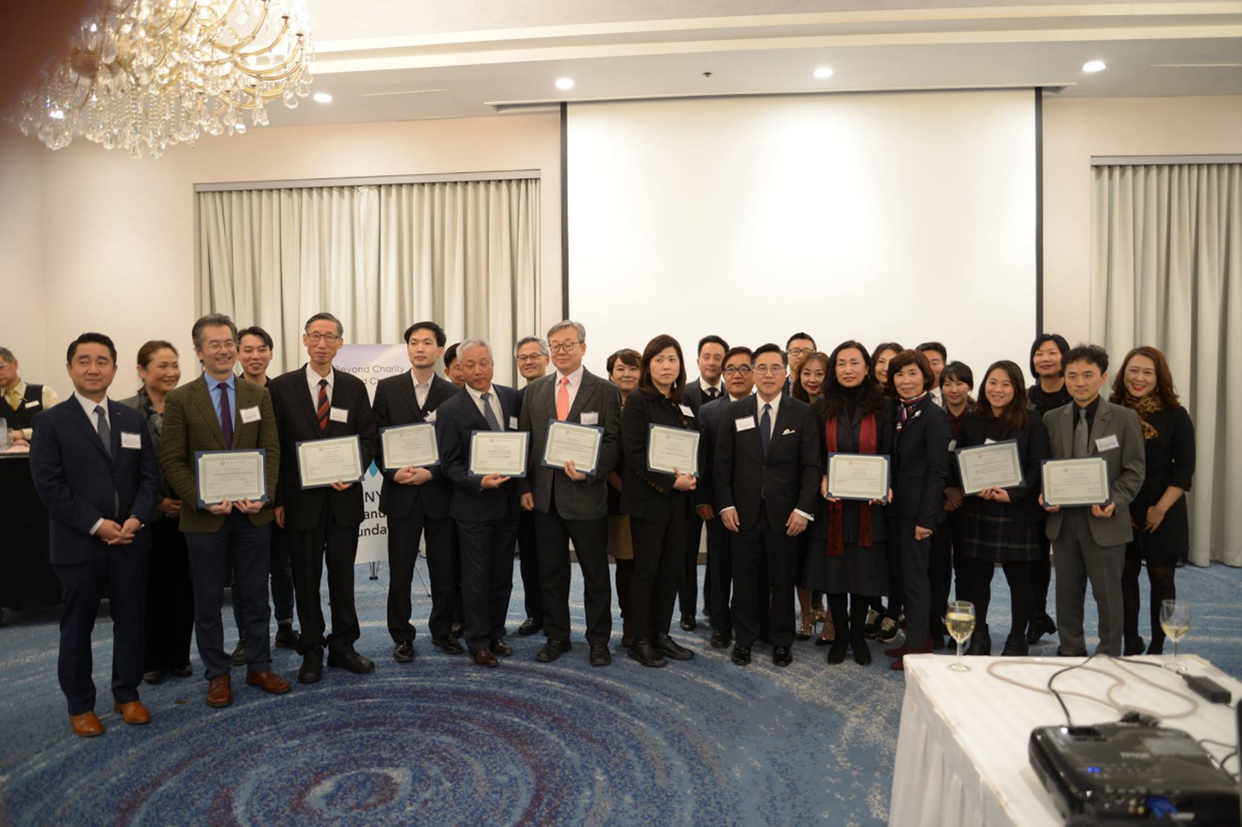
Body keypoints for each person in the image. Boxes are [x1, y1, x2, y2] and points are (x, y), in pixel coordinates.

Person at [29, 332, 159, 737]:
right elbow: (50, 486)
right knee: (77, 626)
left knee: (131, 622)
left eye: (102, 361)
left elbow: (149, 478)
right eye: (83, 360)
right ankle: (80, 704)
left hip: (130, 541)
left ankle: (127, 693)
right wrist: (97, 524)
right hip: (78, 544)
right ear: (69, 368)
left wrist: (136, 518)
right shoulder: (49, 422)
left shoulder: (131, 417)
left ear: (115, 369)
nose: (93, 368)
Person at [160, 314, 290, 707]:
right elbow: (171, 459)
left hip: (253, 515)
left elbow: (271, 450)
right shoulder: (181, 398)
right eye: (213, 344)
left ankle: (259, 665)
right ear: (199, 352)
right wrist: (201, 497)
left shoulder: (258, 396)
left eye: (228, 342)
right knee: (208, 600)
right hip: (204, 518)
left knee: (255, 595)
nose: (223, 350)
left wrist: (263, 493)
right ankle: (217, 673)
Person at [269, 312, 379, 682]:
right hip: (301, 504)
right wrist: (279, 500)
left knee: (343, 577)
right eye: (315, 336)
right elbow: (277, 448)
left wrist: (353, 471)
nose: (321, 343)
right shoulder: (281, 388)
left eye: (329, 337)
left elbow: (368, 438)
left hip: (345, 500)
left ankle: (344, 645)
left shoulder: (353, 387)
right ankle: (312, 648)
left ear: (339, 343)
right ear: (304, 340)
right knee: (305, 577)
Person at [518, 321, 622, 667]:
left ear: (583, 347)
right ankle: (557, 636)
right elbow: (526, 443)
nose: (561, 351)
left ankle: (598, 641)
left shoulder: (604, 391)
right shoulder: (535, 391)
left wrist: (591, 470)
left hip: (587, 496)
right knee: (551, 573)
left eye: (568, 344)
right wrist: (526, 487)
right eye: (555, 346)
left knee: (595, 574)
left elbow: (612, 442)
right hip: (545, 499)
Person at [716, 344, 819, 668]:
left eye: (776, 368)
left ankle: (781, 641)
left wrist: (803, 509)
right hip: (743, 512)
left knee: (783, 579)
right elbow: (723, 464)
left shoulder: (801, 412)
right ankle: (744, 639)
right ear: (752, 373)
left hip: (786, 514)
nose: (769, 374)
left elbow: (812, 466)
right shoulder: (735, 411)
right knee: (744, 580)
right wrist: (726, 505)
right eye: (761, 368)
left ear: (786, 372)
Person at [1041, 344, 1145, 657]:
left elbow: (1135, 471)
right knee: (1067, 593)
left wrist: (1115, 499)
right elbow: (1045, 467)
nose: (1079, 382)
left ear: (1103, 378)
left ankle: (1109, 653)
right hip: (1064, 521)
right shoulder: (1050, 418)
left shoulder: (1124, 418)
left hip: (1106, 519)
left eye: (1088, 375)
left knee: (1108, 595)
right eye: (1072, 376)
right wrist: (1046, 494)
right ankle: (1071, 649)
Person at [374, 321, 465, 661]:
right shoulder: (387, 388)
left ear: (440, 350)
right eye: (414, 342)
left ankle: (442, 631)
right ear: (407, 349)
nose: (420, 348)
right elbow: (376, 436)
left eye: (428, 342)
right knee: (400, 571)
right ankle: (402, 636)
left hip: (438, 494)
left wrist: (432, 473)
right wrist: (393, 471)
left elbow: (457, 447)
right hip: (401, 493)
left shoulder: (454, 394)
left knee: (443, 571)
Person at [435, 339, 523, 668]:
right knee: (475, 577)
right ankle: (478, 641)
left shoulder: (512, 397)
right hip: (473, 508)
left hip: (509, 506)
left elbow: (522, 444)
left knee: (502, 575)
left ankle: (497, 633)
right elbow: (449, 464)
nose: (477, 370)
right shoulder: (449, 410)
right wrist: (479, 481)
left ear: (493, 362)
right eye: (469, 365)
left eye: (483, 362)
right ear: (459, 369)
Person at [954, 361, 1049, 657]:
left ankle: (1016, 640)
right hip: (978, 511)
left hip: (1016, 513)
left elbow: (1037, 466)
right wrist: (972, 484)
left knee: (1020, 581)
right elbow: (961, 462)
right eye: (993, 383)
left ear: (1017, 389)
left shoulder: (1033, 421)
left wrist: (1012, 494)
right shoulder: (972, 420)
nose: (998, 390)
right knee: (976, 581)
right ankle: (980, 636)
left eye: (1006, 384)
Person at [805, 341, 891, 665]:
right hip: (833, 506)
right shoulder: (821, 406)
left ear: (866, 368)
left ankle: (858, 635)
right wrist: (822, 480)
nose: (848, 370)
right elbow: (812, 455)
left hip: (870, 507)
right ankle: (841, 635)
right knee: (835, 575)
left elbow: (890, 451)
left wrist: (886, 482)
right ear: (834, 369)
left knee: (863, 574)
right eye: (841, 363)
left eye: (855, 363)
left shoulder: (883, 406)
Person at [620, 334, 699, 668]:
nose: (667, 366)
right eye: (659, 359)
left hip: (680, 503)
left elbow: (695, 449)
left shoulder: (683, 403)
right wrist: (672, 481)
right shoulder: (639, 401)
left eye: (672, 359)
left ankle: (661, 635)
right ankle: (639, 639)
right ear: (648, 366)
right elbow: (634, 454)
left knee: (672, 571)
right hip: (649, 502)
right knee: (646, 573)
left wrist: (693, 477)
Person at [1110, 346, 1194, 656]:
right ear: (1123, 373)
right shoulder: (1112, 409)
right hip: (1123, 505)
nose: (1139, 378)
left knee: (1162, 577)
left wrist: (1159, 508)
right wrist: (1124, 506)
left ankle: (1160, 645)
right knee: (1126, 574)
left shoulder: (1175, 415)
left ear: (1159, 378)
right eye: (1134, 370)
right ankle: (1131, 641)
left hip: (1165, 506)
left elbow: (1185, 470)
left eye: (1148, 372)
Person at [119, 342, 194, 685]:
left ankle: (178, 656)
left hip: (190, 512)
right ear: (141, 370)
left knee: (184, 586)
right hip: (145, 516)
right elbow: (121, 470)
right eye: (162, 365)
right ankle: (150, 659)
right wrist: (157, 504)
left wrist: (192, 499)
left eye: (175, 365)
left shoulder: (191, 405)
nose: (171, 372)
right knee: (148, 588)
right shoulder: (124, 412)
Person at [231, 325, 299, 664]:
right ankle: (246, 636)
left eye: (262, 349)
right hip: (240, 500)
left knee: (282, 567)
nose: (255, 356)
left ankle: (285, 627)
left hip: (279, 499)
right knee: (245, 573)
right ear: (237, 354)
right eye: (248, 350)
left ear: (271, 353)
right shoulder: (230, 393)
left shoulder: (284, 391)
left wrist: (280, 499)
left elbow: (285, 450)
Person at [883, 349, 951, 671]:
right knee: (902, 576)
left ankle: (919, 645)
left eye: (912, 374)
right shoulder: (897, 410)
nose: (905, 381)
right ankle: (915, 639)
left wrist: (927, 519)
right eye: (899, 374)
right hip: (895, 508)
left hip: (917, 515)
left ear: (925, 376)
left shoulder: (935, 415)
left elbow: (938, 471)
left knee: (916, 580)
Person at [696, 346, 755, 650]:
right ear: (722, 373)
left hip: (759, 506)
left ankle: (750, 621)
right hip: (720, 504)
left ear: (755, 373)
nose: (737, 375)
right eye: (730, 368)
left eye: (745, 368)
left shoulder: (766, 408)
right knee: (719, 566)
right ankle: (720, 624)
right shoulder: (709, 411)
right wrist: (703, 499)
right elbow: (703, 460)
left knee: (753, 568)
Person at [678, 334, 728, 630]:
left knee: (719, 554)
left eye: (718, 357)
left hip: (722, 491)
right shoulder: (683, 395)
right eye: (706, 356)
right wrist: (698, 496)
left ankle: (713, 606)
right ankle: (687, 611)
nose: (712, 362)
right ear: (697, 361)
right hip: (691, 490)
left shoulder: (737, 396)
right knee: (687, 553)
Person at [1026, 332, 1072, 645]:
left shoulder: (1076, 393)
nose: (1045, 358)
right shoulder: (1025, 396)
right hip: (1029, 488)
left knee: (1068, 559)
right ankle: (1036, 614)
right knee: (1035, 556)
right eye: (1039, 353)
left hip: (1067, 488)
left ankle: (1067, 624)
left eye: (1052, 353)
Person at [931, 361, 975, 646]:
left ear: (969, 385)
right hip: (939, 502)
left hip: (972, 504)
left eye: (959, 383)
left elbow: (987, 460)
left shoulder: (980, 416)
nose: (953, 389)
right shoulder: (935, 416)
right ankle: (937, 624)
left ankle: (963, 626)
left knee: (967, 568)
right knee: (937, 568)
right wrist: (947, 490)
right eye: (948, 383)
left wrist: (961, 491)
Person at [790, 350, 830, 641]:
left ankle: (829, 619)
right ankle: (805, 615)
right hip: (798, 493)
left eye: (819, 373)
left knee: (826, 559)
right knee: (799, 559)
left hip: (831, 494)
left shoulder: (836, 407)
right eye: (807, 373)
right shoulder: (790, 406)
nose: (812, 379)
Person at [512, 335, 549, 636]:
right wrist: (523, 486)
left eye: (534, 356)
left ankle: (556, 616)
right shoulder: (514, 399)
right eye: (523, 357)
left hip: (563, 490)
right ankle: (534, 613)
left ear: (547, 359)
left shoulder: (561, 395)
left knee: (555, 560)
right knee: (530, 557)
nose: (528, 361)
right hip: (525, 493)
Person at [606, 348, 641, 645]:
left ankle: (645, 620)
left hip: (652, 498)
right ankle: (629, 619)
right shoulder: (606, 408)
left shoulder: (651, 407)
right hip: (617, 498)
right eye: (621, 369)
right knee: (626, 563)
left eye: (633, 368)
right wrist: (624, 488)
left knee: (647, 564)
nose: (627, 374)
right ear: (610, 375)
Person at [0, 345, 60, 447]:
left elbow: (58, 426)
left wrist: (22, 434)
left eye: (1, 367)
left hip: (44, 459)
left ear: (14, 364)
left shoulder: (44, 393)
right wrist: (11, 443)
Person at [916, 342, 948, 408]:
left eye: (935, 363)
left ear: (944, 365)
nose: (929, 368)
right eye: (925, 363)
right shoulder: (905, 399)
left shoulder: (955, 397)